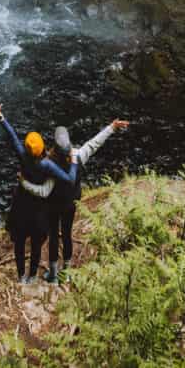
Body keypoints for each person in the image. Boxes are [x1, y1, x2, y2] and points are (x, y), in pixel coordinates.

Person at [20, 118, 130, 282]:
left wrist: (24, 183)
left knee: (54, 237)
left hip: (53, 207)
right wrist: (111, 128)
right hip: (71, 205)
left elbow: (43, 192)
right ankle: (67, 272)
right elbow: (94, 144)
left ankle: (53, 274)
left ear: (55, 147)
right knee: (67, 235)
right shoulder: (78, 155)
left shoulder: (50, 166)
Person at [0, 102, 78, 284]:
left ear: (28, 147)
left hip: (20, 206)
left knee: (19, 244)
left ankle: (21, 276)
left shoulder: (22, 155)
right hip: (39, 210)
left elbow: (13, 138)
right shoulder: (46, 164)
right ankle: (32, 276)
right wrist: (74, 163)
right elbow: (69, 179)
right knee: (36, 245)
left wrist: (1, 117)